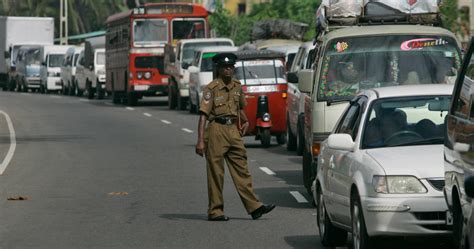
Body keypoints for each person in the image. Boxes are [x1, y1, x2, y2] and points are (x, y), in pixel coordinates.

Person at [195, 52, 275, 221]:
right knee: (216, 174)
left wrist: (245, 121)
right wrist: (200, 141)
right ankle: (215, 211)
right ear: (218, 69)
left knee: (242, 171)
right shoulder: (212, 88)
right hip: (216, 130)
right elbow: (203, 115)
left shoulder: (237, 86)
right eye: (225, 67)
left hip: (233, 130)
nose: (228, 70)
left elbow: (239, 108)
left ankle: (254, 207)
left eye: (231, 67)